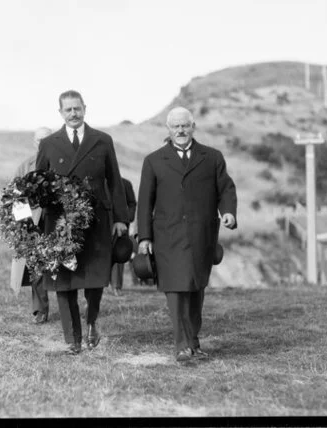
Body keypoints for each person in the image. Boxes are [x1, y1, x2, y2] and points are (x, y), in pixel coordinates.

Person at [137, 106, 237, 362]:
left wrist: (228, 212)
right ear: (168, 130)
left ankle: (194, 341)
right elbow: (145, 202)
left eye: (185, 125)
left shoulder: (212, 157)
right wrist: (145, 237)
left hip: (201, 236)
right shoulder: (154, 160)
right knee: (176, 291)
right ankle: (182, 344)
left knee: (196, 290)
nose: (180, 130)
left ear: (193, 127)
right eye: (175, 126)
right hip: (167, 237)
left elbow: (226, 189)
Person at [36, 90, 129, 355]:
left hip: (96, 222)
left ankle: (91, 322)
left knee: (94, 278)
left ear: (85, 109)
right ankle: (72, 340)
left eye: (77, 109)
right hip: (60, 223)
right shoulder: (49, 144)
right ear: (60, 113)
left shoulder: (102, 140)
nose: (74, 114)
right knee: (63, 281)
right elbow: (38, 183)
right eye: (68, 110)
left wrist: (121, 219)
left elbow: (115, 180)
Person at [13, 127, 53, 324]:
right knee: (37, 266)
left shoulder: (62, 163)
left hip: (57, 222)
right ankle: (40, 309)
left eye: (46, 139)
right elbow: (15, 196)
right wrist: (24, 223)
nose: (42, 143)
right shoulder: (25, 166)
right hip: (34, 223)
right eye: (39, 140)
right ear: (34, 142)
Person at [109, 177, 136, 296]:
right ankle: (101, 285)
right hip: (103, 225)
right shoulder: (99, 180)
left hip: (121, 226)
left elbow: (132, 203)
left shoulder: (126, 183)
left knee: (119, 254)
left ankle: (116, 286)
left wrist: (125, 219)